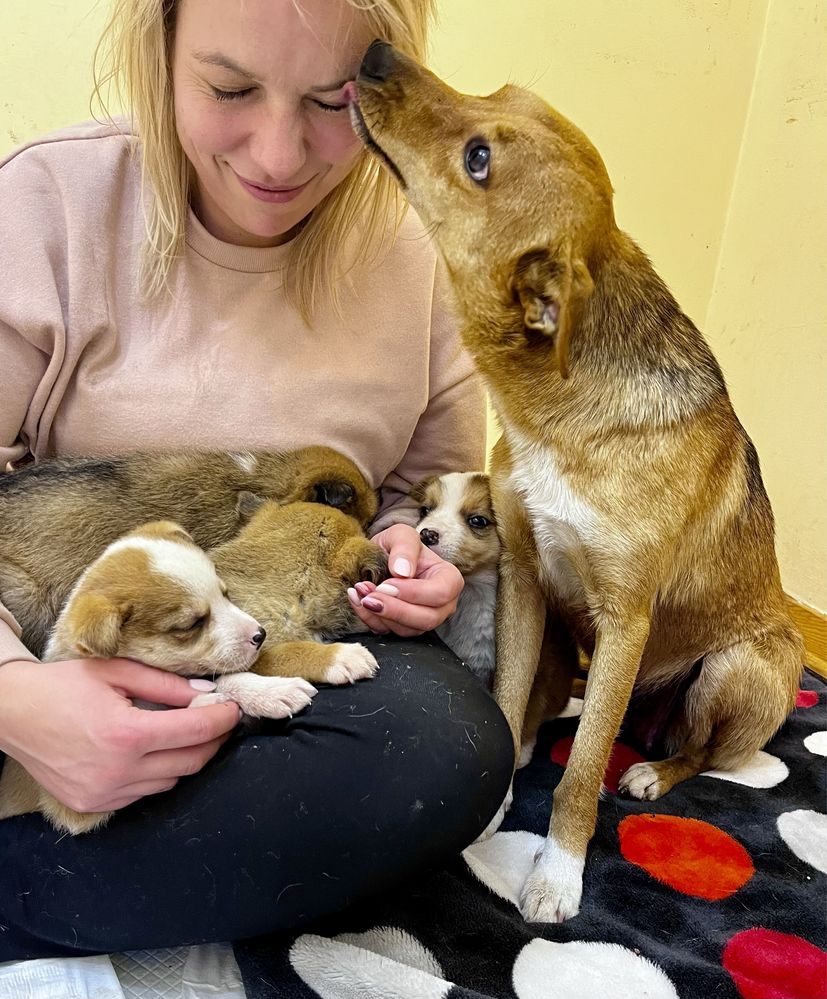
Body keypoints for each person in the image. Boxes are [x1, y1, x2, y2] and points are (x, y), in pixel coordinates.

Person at [0, 0, 512, 964]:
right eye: (229, 89)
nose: (278, 156)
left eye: (332, 101)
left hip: (290, 626)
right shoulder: (47, 205)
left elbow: (421, 492)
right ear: (158, 49)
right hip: (61, 631)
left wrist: (412, 558)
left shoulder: (420, 254)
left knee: (447, 750)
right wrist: (17, 696)